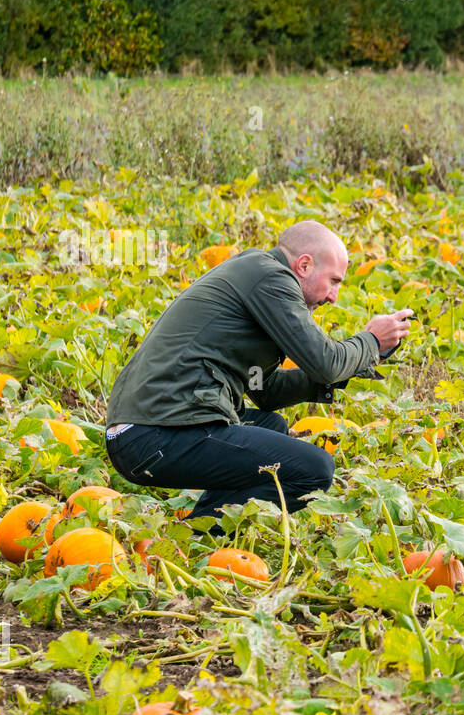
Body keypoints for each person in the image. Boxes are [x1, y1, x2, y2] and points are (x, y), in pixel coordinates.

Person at [104, 221, 412, 523]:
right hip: (154, 434)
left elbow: (266, 390)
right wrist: (370, 341)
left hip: (153, 428)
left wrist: (354, 366)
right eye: (333, 281)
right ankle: (204, 534)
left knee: (272, 425)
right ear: (303, 265)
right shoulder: (271, 278)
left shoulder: (258, 280)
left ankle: (202, 526)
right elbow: (324, 362)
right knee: (315, 470)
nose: (333, 296)